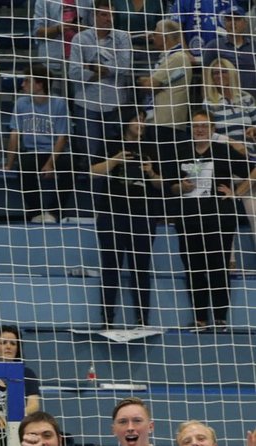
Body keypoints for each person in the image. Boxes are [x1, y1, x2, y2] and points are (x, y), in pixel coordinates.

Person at [169, 110, 252, 329]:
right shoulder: (181, 151)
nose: (200, 129)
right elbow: (169, 184)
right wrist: (181, 187)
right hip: (188, 219)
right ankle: (200, 318)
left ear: (212, 129)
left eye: (205, 126)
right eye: (196, 126)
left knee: (218, 267)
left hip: (218, 219)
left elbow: (253, 170)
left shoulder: (223, 151)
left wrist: (237, 192)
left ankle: (220, 317)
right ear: (191, 129)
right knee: (193, 268)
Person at [90, 114, 164, 327]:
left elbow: (162, 184)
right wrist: (116, 160)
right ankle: (107, 319)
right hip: (112, 213)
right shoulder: (111, 143)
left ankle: (142, 319)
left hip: (143, 214)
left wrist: (150, 172)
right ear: (126, 122)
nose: (141, 124)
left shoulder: (152, 147)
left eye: (144, 120)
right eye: (136, 119)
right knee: (111, 267)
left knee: (140, 268)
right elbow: (92, 172)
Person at [3, 67, 70, 223]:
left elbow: (62, 138)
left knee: (70, 166)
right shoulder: (21, 103)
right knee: (24, 166)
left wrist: (50, 164)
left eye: (27, 81)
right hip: (32, 151)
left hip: (54, 151)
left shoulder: (59, 103)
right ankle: (35, 213)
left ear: (39, 84)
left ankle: (54, 212)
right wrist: (9, 163)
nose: (22, 85)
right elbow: (14, 134)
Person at [69, 5, 134, 158]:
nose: (108, 19)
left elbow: (124, 66)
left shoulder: (122, 37)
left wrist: (91, 67)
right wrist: (107, 70)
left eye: (111, 15)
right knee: (91, 155)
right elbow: (74, 73)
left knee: (115, 153)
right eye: (104, 15)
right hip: (87, 104)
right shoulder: (80, 39)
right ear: (94, 16)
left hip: (115, 104)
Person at [141, 19, 195, 172]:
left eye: (156, 34)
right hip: (160, 120)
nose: (152, 37)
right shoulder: (168, 57)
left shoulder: (177, 57)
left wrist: (142, 80)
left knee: (165, 168)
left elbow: (149, 85)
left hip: (167, 122)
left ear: (165, 37)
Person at [0, 324, 42, 420]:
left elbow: (34, 405)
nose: (8, 347)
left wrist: (11, 418)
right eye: (3, 343)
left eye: (13, 343)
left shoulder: (27, 374)